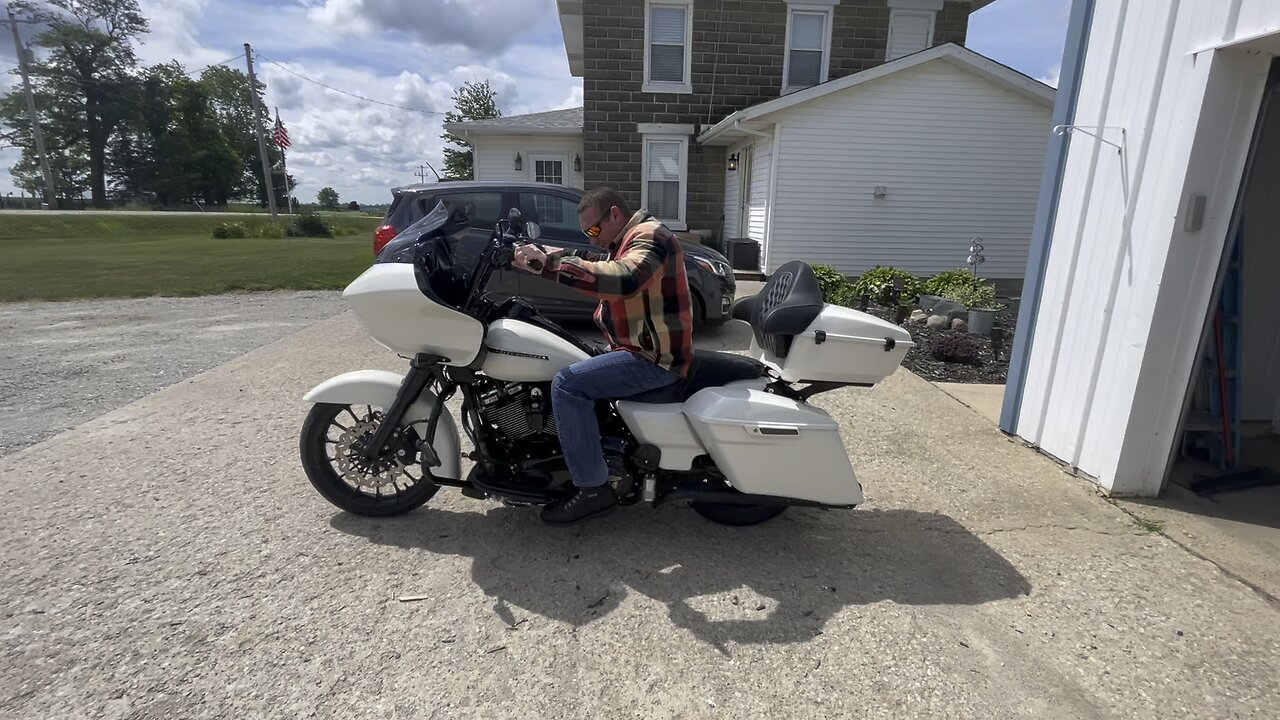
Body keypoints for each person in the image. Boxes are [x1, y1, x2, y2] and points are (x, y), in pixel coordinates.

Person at [511, 187, 694, 525]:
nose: (592, 239)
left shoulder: (650, 236)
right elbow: (594, 260)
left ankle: (593, 487)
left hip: (653, 359)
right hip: (634, 349)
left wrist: (552, 264)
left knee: (567, 384)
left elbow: (625, 279)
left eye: (594, 230)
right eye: (586, 233)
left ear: (614, 214)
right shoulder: (620, 242)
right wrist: (546, 253)